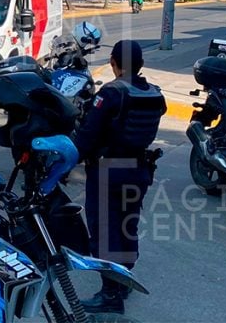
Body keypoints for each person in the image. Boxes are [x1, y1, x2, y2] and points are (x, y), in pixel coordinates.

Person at [73, 40, 166, 315]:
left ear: (113, 63)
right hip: (139, 170)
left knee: (105, 233)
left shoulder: (111, 93)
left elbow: (88, 136)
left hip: (108, 172)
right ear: (141, 65)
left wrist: (71, 157)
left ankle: (111, 294)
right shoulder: (155, 94)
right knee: (127, 226)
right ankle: (124, 279)